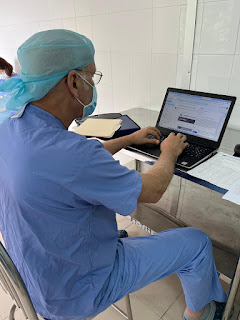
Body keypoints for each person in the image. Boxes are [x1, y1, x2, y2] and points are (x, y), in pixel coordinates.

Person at [0, 30, 228, 320]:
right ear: (73, 82)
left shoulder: (10, 129)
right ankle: (203, 314)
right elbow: (153, 189)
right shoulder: (72, 155)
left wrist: (127, 139)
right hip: (76, 291)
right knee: (196, 243)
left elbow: (70, 164)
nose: (92, 85)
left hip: (32, 277)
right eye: (91, 77)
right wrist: (169, 150)